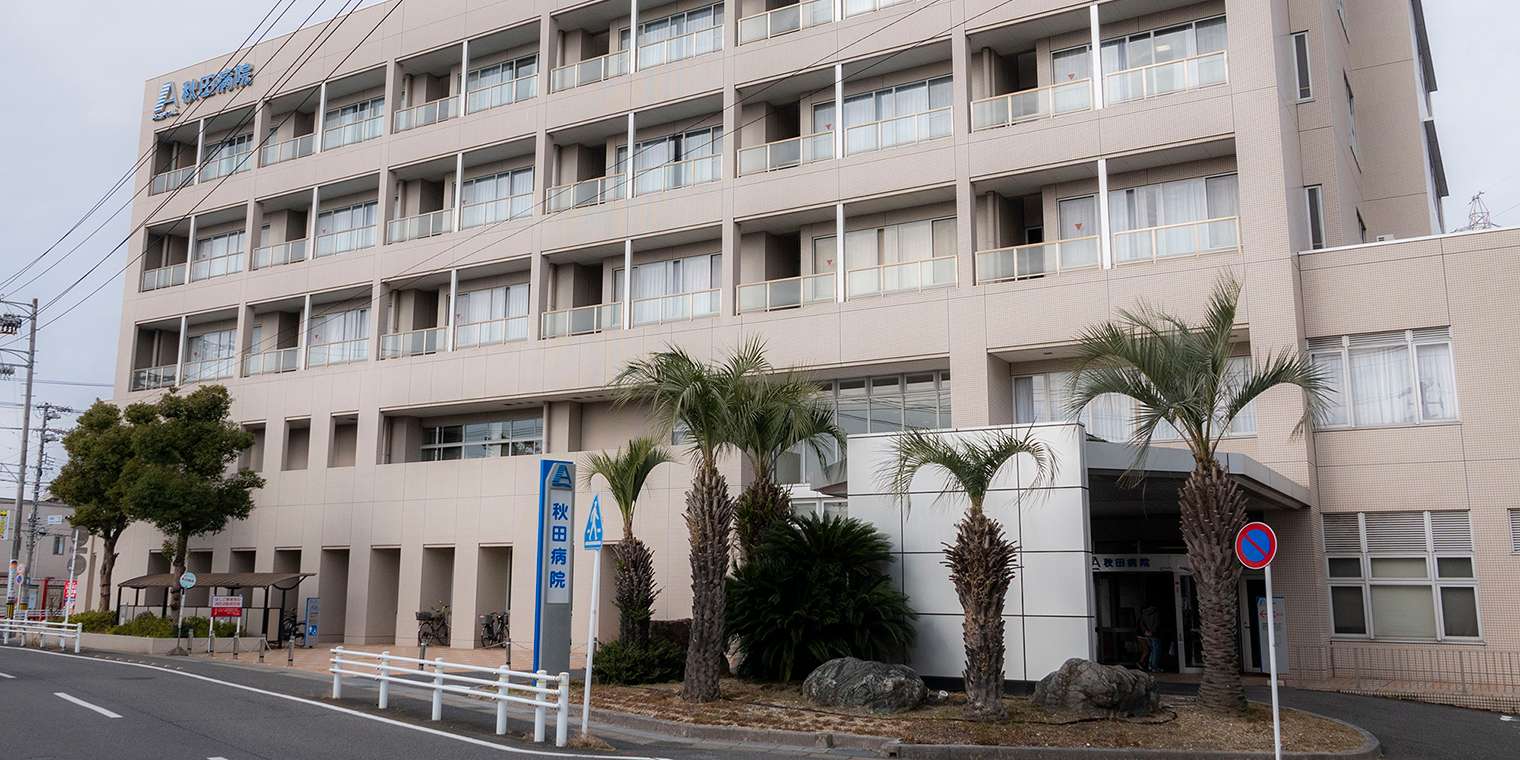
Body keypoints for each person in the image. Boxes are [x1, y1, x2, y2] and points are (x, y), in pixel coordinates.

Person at [1138, 603, 1162, 673]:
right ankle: (1154, 666)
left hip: (1147, 634)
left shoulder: (1144, 614)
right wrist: (1152, 631)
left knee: (1152, 650)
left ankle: (1150, 665)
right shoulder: (1156, 612)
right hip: (1154, 634)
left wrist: (1145, 631)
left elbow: (1141, 624)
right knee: (1156, 651)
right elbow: (1156, 623)